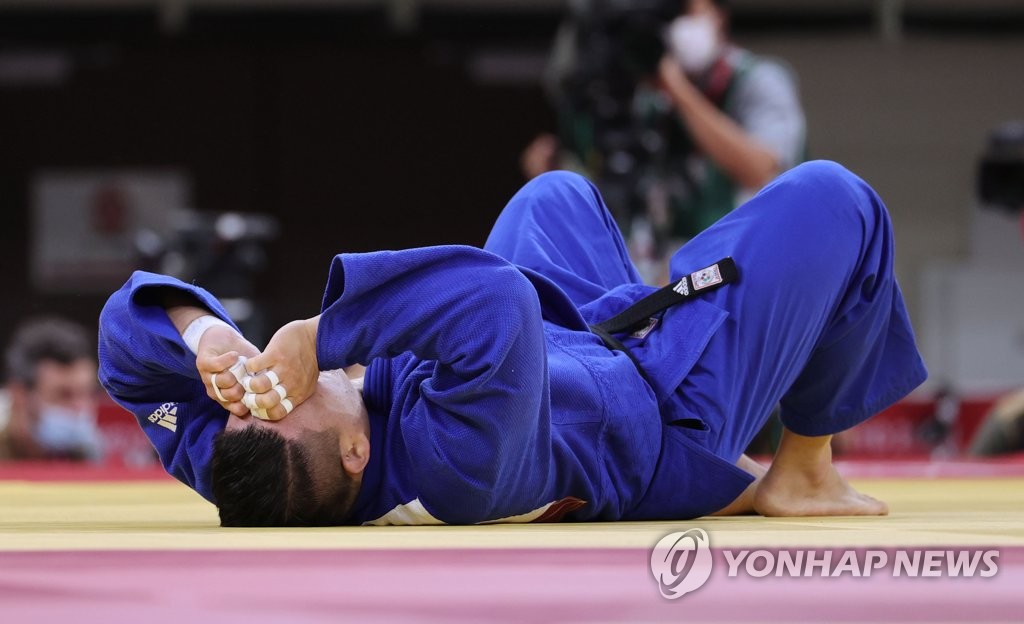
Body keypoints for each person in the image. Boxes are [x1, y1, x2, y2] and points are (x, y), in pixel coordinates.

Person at [98, 160, 926, 526]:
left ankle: (649, 300)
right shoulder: (455, 467)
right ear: (356, 454)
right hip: (663, 408)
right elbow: (493, 301)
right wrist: (318, 335)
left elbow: (125, 355)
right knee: (835, 200)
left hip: (566, 354)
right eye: (293, 391)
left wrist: (203, 335)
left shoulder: (248, 468)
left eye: (250, 394)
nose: (270, 384)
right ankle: (804, 470)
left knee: (552, 195)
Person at [525, 0, 806, 282]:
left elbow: (761, 170)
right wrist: (557, 174)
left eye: (687, 11)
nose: (676, 24)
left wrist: (675, 87)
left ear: (719, 16)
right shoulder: (648, 98)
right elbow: (620, 186)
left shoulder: (758, 79)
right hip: (673, 273)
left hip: (755, 271)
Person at [1, 318, 104, 462]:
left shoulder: (95, 459)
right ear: (19, 396)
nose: (80, 407)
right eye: (64, 395)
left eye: (87, 393)